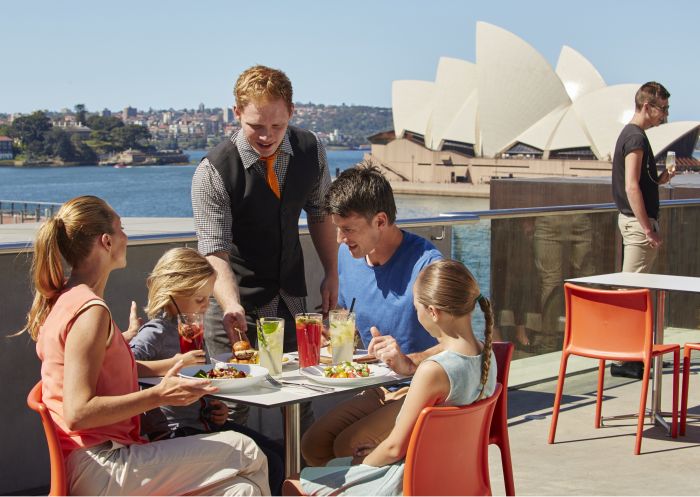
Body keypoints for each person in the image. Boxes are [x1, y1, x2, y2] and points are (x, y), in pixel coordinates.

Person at [22, 195, 269, 495]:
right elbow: (78, 412)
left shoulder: (65, 300)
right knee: (247, 450)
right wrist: (159, 395)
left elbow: (104, 370)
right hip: (104, 465)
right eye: (121, 228)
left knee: (241, 490)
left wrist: (162, 360)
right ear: (106, 242)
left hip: (96, 462)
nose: (126, 236)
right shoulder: (90, 311)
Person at [191, 65, 338, 427]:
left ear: (291, 111)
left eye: (277, 126)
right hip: (233, 301)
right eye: (256, 126)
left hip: (291, 297)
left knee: (299, 398)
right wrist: (230, 305)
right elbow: (215, 249)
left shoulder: (311, 150)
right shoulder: (213, 171)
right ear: (237, 112)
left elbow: (320, 213)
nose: (267, 136)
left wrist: (332, 273)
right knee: (230, 408)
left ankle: (296, 481)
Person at [299, 259, 497, 495]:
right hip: (443, 473)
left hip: (405, 479)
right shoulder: (487, 355)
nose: (417, 313)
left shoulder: (434, 371)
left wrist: (360, 463)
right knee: (327, 456)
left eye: (416, 308)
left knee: (297, 483)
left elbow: (393, 449)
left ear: (433, 312)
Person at [300, 163, 443, 466]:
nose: (339, 239)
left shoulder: (428, 266)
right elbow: (352, 322)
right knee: (313, 445)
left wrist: (410, 362)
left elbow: (470, 342)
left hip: (424, 391)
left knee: (346, 446)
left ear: (380, 221)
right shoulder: (348, 257)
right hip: (378, 386)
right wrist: (335, 335)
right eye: (338, 228)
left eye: (348, 229)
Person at [129, 247, 284, 495]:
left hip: (204, 422)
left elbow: (197, 377)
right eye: (200, 300)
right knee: (272, 463)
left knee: (278, 454)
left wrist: (213, 405)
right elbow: (125, 367)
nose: (204, 308)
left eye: (207, 299)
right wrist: (174, 363)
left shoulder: (191, 327)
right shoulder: (155, 331)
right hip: (175, 431)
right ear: (174, 293)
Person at [611, 81, 674, 379]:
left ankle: (635, 354)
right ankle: (625, 359)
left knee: (636, 290)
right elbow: (631, 186)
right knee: (632, 292)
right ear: (646, 106)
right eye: (662, 109)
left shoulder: (635, 135)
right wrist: (648, 229)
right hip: (638, 226)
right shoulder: (635, 137)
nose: (665, 115)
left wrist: (659, 180)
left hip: (637, 224)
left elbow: (640, 181)